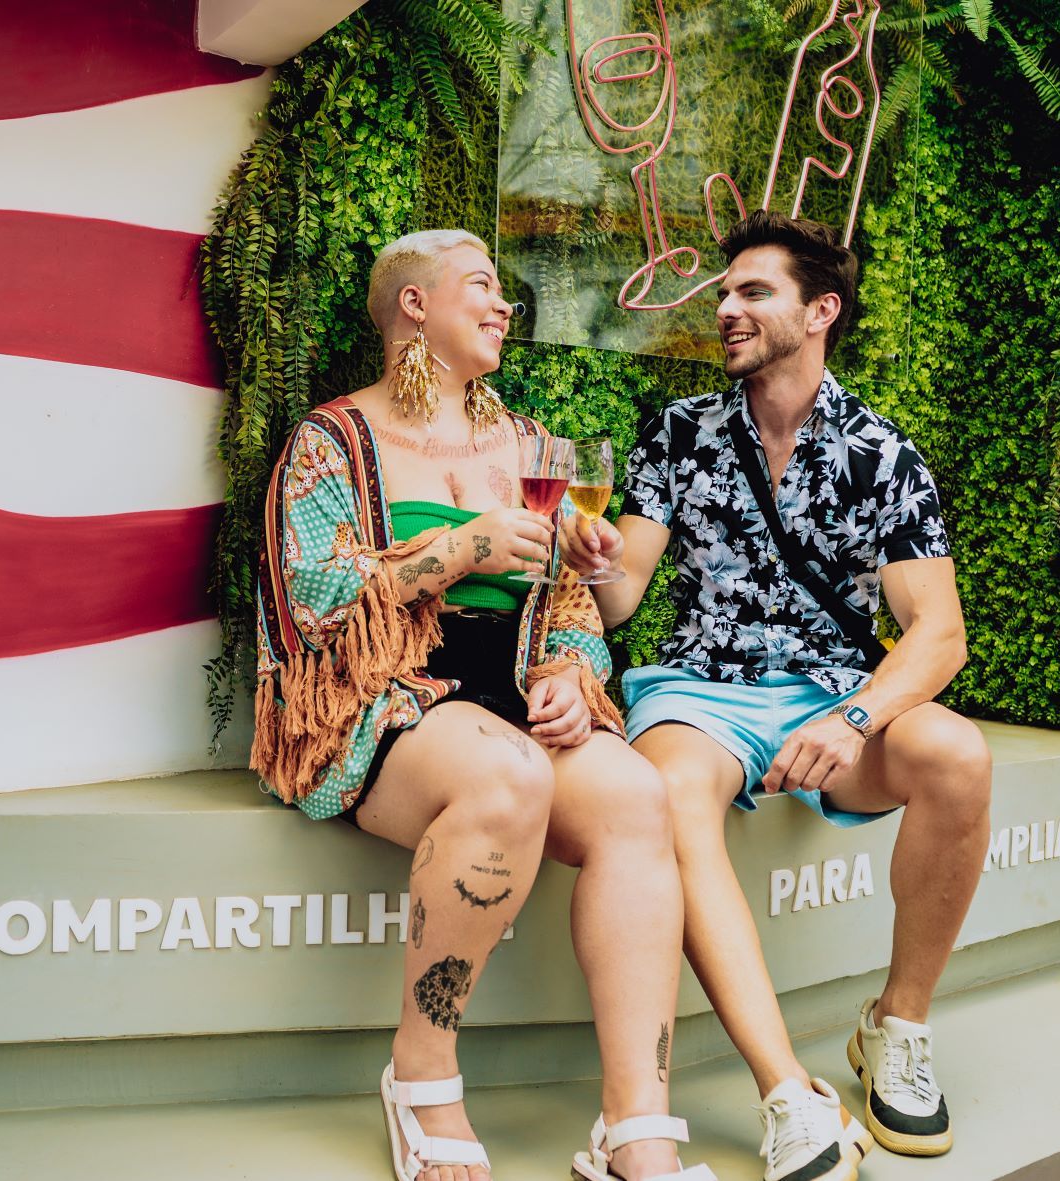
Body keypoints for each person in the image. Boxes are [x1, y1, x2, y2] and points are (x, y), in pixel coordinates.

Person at [253, 229, 715, 1181]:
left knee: (636, 796)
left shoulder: (535, 447)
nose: (505, 304)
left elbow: (572, 604)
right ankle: (421, 1071)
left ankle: (634, 1122)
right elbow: (312, 604)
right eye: (481, 285)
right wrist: (461, 549)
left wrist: (569, 675)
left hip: (515, 691)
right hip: (384, 696)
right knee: (508, 776)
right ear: (414, 304)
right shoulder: (331, 442)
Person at [564, 210, 992, 1181]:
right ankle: (788, 1093)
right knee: (670, 794)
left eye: (752, 291)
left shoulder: (881, 454)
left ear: (820, 310)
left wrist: (853, 717)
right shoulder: (677, 432)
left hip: (830, 693)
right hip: (700, 687)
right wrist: (594, 560)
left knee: (956, 754)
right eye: (722, 292)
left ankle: (896, 1026)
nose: (725, 307)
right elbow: (624, 594)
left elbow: (938, 630)